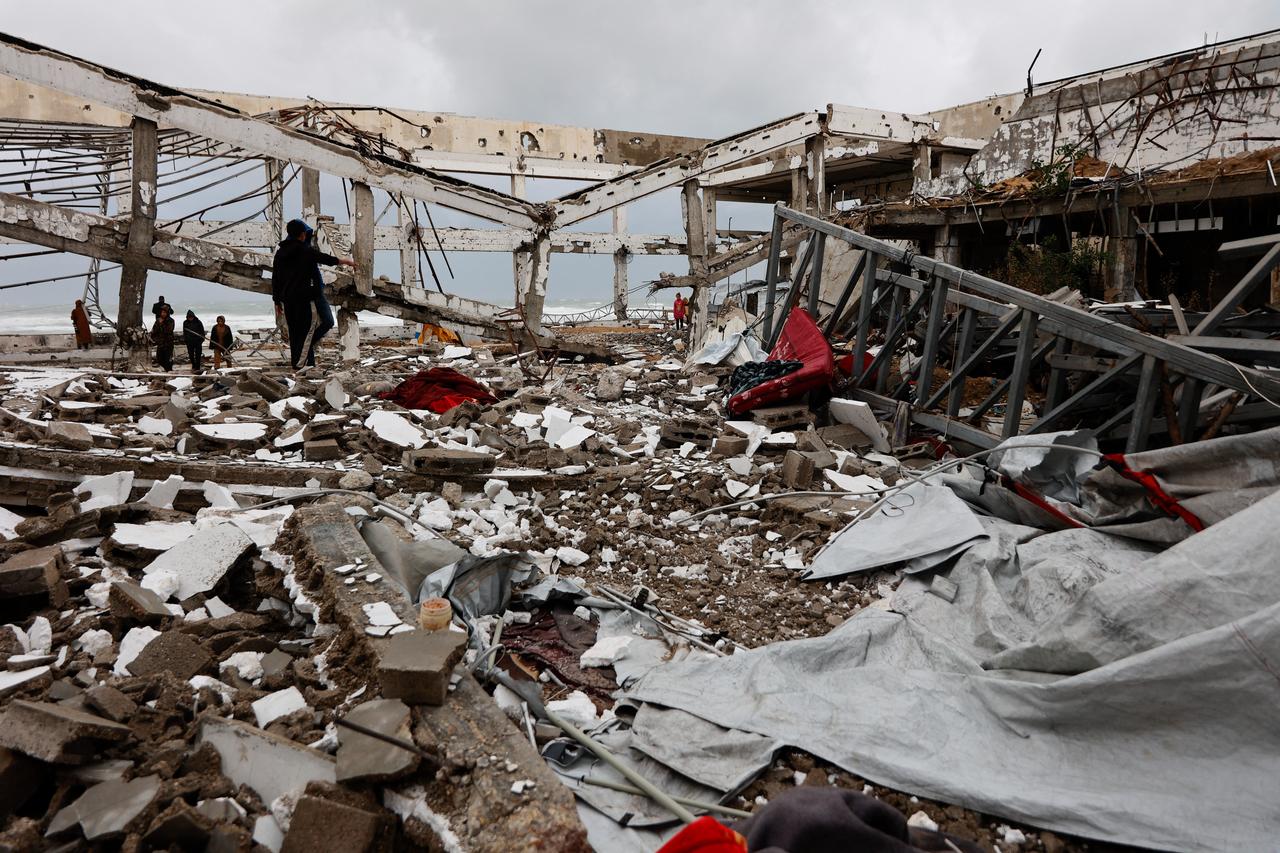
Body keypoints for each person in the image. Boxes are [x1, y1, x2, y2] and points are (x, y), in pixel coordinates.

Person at [272, 218, 355, 370]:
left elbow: (275, 278)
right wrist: (345, 261)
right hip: (305, 298)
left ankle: (305, 362)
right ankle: (301, 365)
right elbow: (325, 259)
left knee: (297, 332)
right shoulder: (305, 251)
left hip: (289, 299)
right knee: (305, 332)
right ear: (302, 235)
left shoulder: (280, 252)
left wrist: (277, 301)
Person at [151, 305, 175, 372]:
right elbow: (154, 330)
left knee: (168, 360)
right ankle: (166, 370)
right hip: (160, 343)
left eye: (164, 312)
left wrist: (162, 324)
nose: (163, 314)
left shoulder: (171, 321)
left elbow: (168, 330)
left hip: (168, 343)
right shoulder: (158, 320)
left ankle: (169, 371)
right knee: (159, 359)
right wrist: (153, 338)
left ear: (167, 313)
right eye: (162, 312)